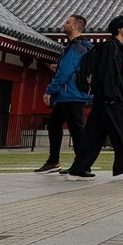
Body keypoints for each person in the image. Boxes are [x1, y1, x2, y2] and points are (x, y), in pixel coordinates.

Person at [62, 15, 123, 181]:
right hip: (109, 98)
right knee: (122, 130)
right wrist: (111, 97)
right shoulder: (111, 47)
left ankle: (78, 170)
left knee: (93, 135)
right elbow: (107, 73)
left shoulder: (115, 48)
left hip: (102, 98)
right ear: (119, 28)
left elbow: (119, 77)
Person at [35, 14, 92, 173]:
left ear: (74, 26)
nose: (63, 24)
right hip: (71, 93)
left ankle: (82, 165)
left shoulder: (75, 47)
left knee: (77, 130)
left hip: (71, 94)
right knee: (55, 124)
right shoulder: (85, 46)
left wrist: (49, 90)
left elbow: (65, 72)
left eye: (67, 22)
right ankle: (54, 161)